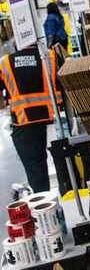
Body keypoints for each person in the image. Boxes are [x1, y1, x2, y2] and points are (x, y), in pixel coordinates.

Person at [0, 44, 62, 193]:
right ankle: (71, 204)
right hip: (55, 121)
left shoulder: (5, 63)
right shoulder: (51, 56)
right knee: (64, 166)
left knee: (36, 172)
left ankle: (46, 209)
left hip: (25, 124)